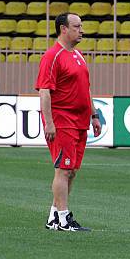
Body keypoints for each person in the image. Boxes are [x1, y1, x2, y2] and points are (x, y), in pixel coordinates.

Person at [35, 12, 100, 232]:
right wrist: (49, 123)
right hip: (63, 121)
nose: (81, 30)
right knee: (63, 169)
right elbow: (45, 92)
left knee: (71, 170)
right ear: (64, 29)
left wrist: (94, 115)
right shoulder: (52, 56)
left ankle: (54, 216)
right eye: (77, 26)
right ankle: (64, 218)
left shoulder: (78, 54)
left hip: (80, 122)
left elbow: (86, 88)